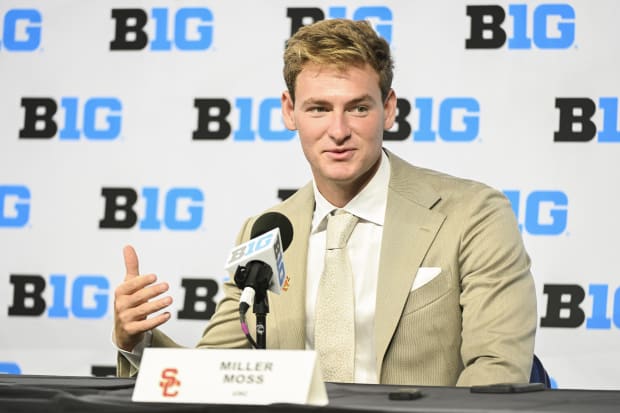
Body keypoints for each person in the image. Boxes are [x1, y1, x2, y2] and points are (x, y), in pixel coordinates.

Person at [114, 18, 537, 386]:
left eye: (357, 108)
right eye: (318, 108)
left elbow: (496, 372)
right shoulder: (267, 231)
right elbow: (216, 374)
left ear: (388, 110)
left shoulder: (473, 214)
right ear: (289, 111)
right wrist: (137, 341)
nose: (338, 131)